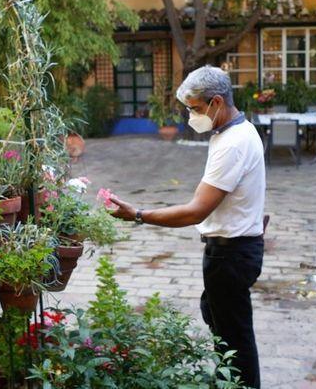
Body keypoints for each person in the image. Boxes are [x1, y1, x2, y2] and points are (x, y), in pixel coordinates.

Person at [110, 66, 266, 389]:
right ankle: (229, 382)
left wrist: (138, 215)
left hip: (230, 254)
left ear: (217, 102)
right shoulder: (235, 132)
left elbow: (195, 211)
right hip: (235, 249)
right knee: (221, 322)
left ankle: (238, 385)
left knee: (234, 341)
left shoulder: (232, 144)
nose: (191, 116)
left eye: (195, 109)